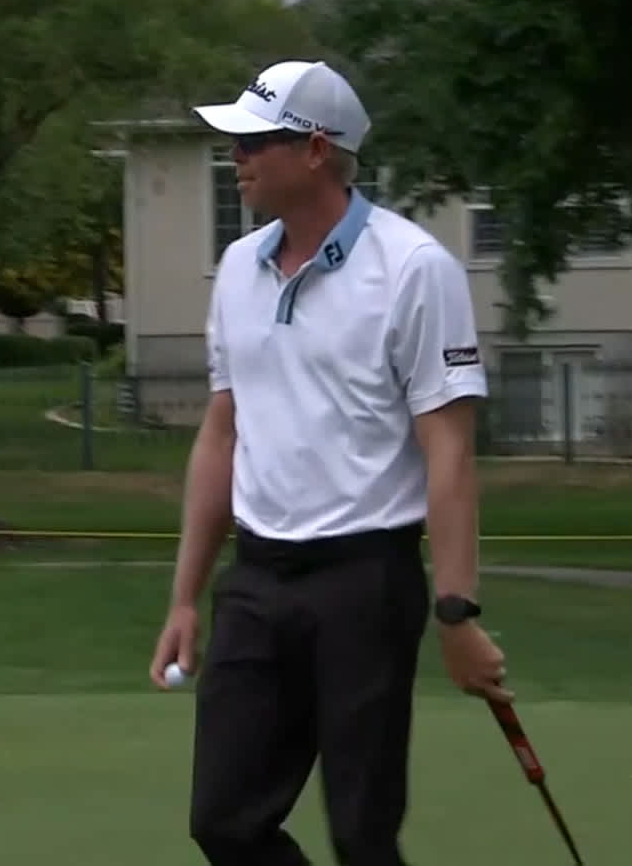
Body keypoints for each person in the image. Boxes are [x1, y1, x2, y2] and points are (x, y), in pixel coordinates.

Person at [148, 59, 511, 866]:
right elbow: (222, 431)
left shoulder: (414, 269)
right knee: (224, 821)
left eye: (254, 142)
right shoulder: (238, 269)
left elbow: (447, 449)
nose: (234, 157)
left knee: (361, 834)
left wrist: (458, 614)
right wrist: (184, 597)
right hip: (257, 578)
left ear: (315, 150)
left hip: (366, 585)